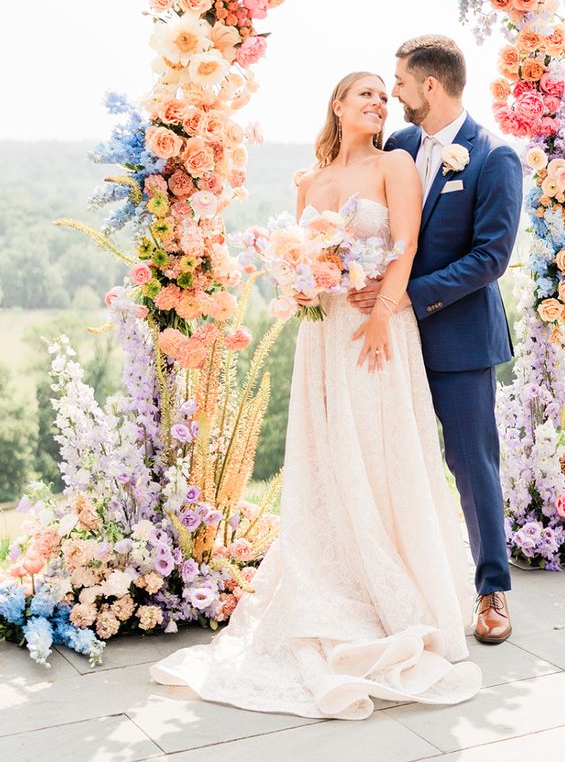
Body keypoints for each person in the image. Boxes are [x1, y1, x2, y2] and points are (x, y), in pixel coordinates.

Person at [150, 70, 483, 720]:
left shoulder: (395, 164)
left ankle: (400, 584)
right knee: (328, 451)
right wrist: (300, 282)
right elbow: (299, 258)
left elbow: (407, 241)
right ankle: (334, 579)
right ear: (337, 104)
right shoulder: (308, 180)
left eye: (384, 98)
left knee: (381, 447)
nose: (377, 104)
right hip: (322, 331)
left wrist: (386, 309)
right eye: (365, 94)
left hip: (377, 324)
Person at [349, 37, 522, 644]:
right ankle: (398, 586)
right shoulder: (398, 146)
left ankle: (492, 592)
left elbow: (490, 257)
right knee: (391, 457)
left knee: (471, 463)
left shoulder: (494, 156)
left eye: (399, 81)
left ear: (430, 86)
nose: (392, 92)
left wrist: (403, 297)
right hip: (387, 340)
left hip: (458, 337)